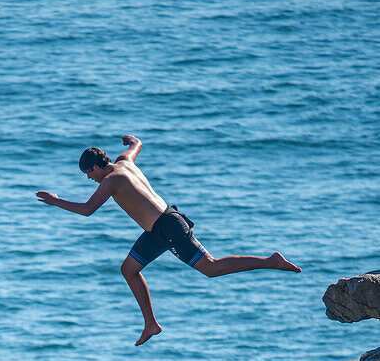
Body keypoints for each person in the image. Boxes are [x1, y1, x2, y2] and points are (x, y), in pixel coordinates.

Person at [36, 135, 301, 346]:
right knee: (128, 269)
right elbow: (136, 146)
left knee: (210, 267)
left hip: (168, 227)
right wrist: (131, 141)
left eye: (88, 174)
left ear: (95, 167)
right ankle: (151, 324)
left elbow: (87, 209)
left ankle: (271, 261)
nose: (89, 179)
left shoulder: (110, 180)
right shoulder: (124, 162)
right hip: (158, 230)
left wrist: (56, 201)